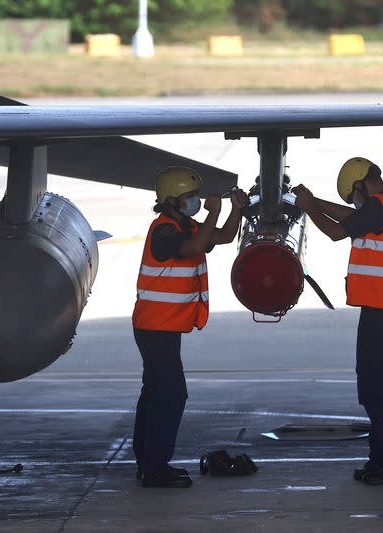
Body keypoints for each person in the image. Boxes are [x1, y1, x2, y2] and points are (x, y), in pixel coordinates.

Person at [292, 157, 383, 485]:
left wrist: (308, 208)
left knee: (376, 394)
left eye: (354, 195)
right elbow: (353, 217)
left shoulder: (378, 208)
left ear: (362, 185)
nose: (354, 203)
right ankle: (380, 461)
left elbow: (337, 231)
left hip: (382, 316)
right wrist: (314, 201)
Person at [132, 166, 247, 488]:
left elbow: (220, 237)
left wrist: (235, 211)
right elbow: (194, 248)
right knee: (171, 394)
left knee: (155, 392)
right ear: (171, 200)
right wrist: (214, 212)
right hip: (155, 327)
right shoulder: (165, 231)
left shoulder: (184, 225)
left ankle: (147, 461)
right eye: (189, 197)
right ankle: (155, 468)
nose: (195, 201)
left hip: (162, 326)